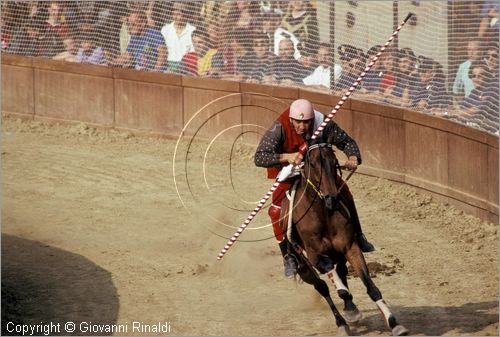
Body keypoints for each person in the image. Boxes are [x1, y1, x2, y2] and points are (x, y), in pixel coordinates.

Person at [254, 99, 375, 278]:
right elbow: (260, 157)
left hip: (319, 172)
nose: (302, 127)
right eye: (298, 122)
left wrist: (353, 157)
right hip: (291, 172)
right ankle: (288, 256)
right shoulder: (279, 128)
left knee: (345, 192)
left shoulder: (322, 122)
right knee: (275, 211)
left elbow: (346, 141)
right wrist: (286, 156)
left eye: (307, 122)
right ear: (291, 119)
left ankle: (359, 235)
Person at [160, 1, 196, 73]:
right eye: (174, 14)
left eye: (179, 14)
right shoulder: (165, 29)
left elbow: (193, 52)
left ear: (185, 14)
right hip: (167, 66)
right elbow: (162, 49)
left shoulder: (192, 30)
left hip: (186, 67)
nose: (176, 17)